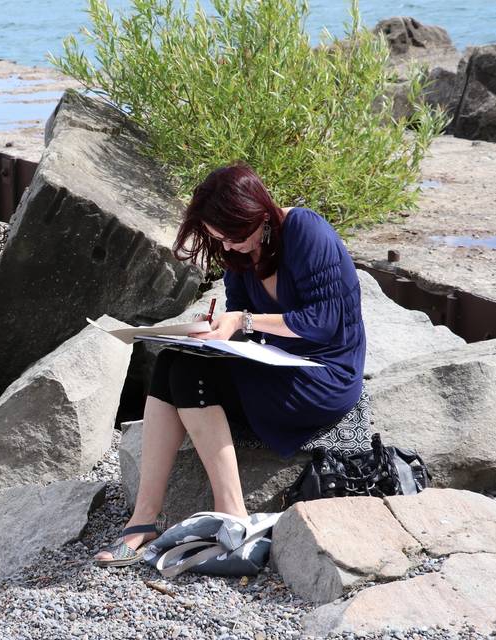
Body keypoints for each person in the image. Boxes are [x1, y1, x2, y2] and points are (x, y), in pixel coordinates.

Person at [94, 161, 366, 567]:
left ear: (257, 214)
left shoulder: (306, 231)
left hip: (323, 374)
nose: (226, 246)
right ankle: (144, 519)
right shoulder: (236, 250)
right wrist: (218, 328)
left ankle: (233, 514)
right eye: (217, 237)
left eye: (232, 235)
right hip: (275, 363)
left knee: (190, 373)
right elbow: (239, 313)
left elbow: (323, 324)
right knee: (172, 359)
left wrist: (245, 321)